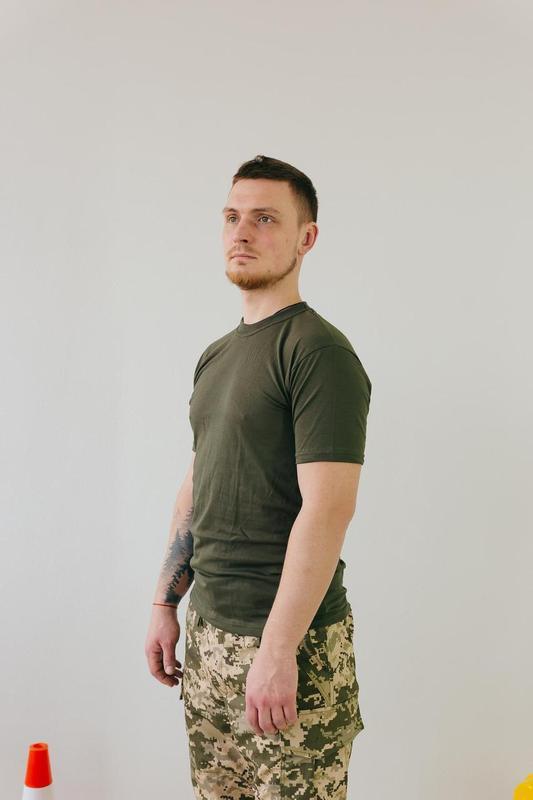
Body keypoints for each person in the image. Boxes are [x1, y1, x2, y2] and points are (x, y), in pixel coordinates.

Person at [145, 154, 372, 799]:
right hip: (210, 637)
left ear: (307, 238)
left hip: (290, 647)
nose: (241, 232)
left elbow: (328, 508)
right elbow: (200, 482)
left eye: (265, 218)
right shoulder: (216, 355)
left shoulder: (317, 352)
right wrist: (165, 602)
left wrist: (276, 651)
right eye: (232, 216)